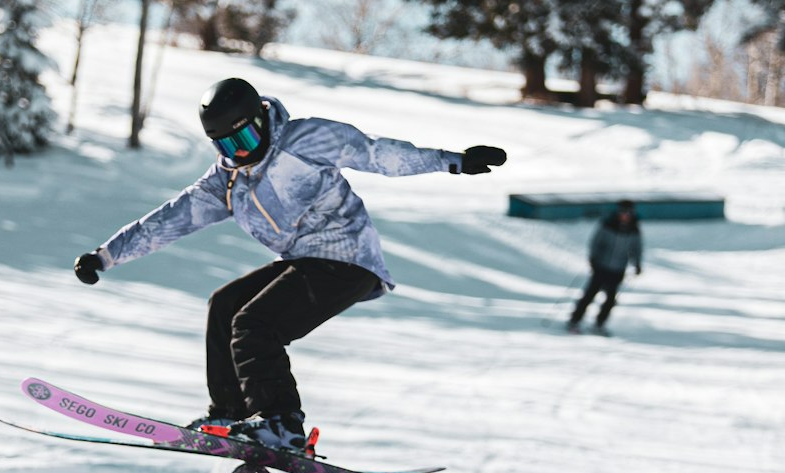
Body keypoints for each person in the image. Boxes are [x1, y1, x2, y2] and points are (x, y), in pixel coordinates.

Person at [74, 76, 507, 452]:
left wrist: (452, 161)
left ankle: (282, 424)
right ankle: (229, 415)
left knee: (256, 324)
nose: (239, 153)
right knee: (225, 306)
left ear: (259, 120)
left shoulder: (306, 139)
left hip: (347, 258)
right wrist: (107, 255)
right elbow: (171, 218)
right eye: (226, 145)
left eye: (243, 140)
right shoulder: (227, 181)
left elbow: (379, 155)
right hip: (306, 261)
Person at [568, 199, 643, 335]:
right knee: (590, 294)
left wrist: (636, 263)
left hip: (618, 269)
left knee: (610, 299)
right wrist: (593, 258)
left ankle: (599, 323)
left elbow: (636, 248)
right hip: (601, 266)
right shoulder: (607, 224)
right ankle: (575, 320)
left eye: (628, 212)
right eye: (622, 211)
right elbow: (596, 242)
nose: (625, 215)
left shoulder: (634, 229)